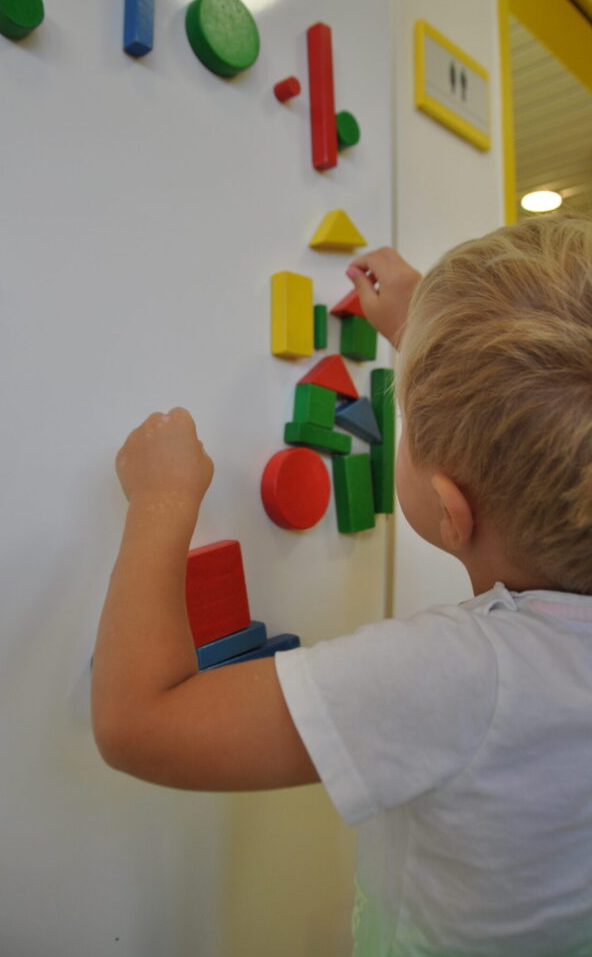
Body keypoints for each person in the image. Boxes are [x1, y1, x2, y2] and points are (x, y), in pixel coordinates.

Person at [91, 214, 592, 956]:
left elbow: (139, 723)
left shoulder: (466, 678)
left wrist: (160, 504)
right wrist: (435, 326)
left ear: (452, 512)